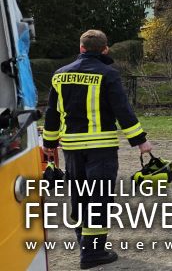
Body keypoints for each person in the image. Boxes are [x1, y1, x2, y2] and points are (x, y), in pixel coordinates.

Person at [42, 29, 153, 269]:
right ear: (105, 49)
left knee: (80, 196)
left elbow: (52, 113)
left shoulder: (60, 75)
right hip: (101, 148)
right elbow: (122, 109)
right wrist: (140, 141)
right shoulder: (108, 74)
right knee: (99, 198)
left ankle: (85, 244)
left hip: (71, 148)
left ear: (81, 48)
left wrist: (49, 145)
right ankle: (93, 253)